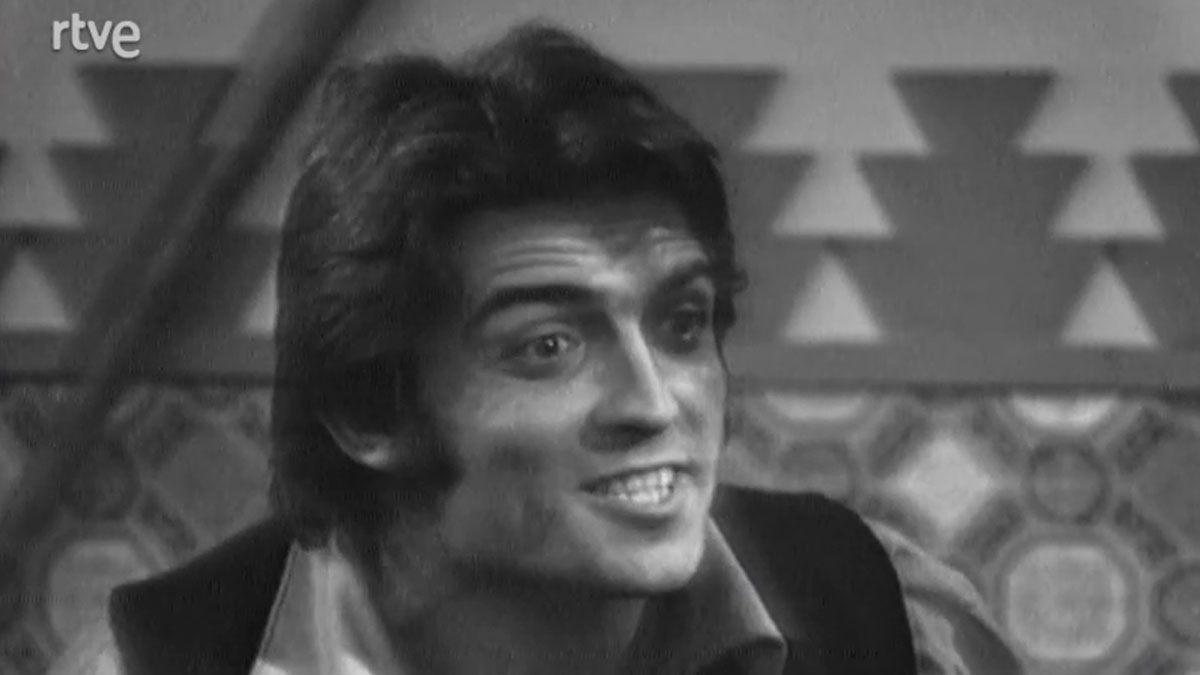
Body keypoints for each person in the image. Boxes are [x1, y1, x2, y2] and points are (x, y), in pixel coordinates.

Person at [50, 23, 1025, 675]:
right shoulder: (163, 659)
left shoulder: (875, 611)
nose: (656, 402)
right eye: (549, 345)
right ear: (369, 405)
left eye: (683, 325)